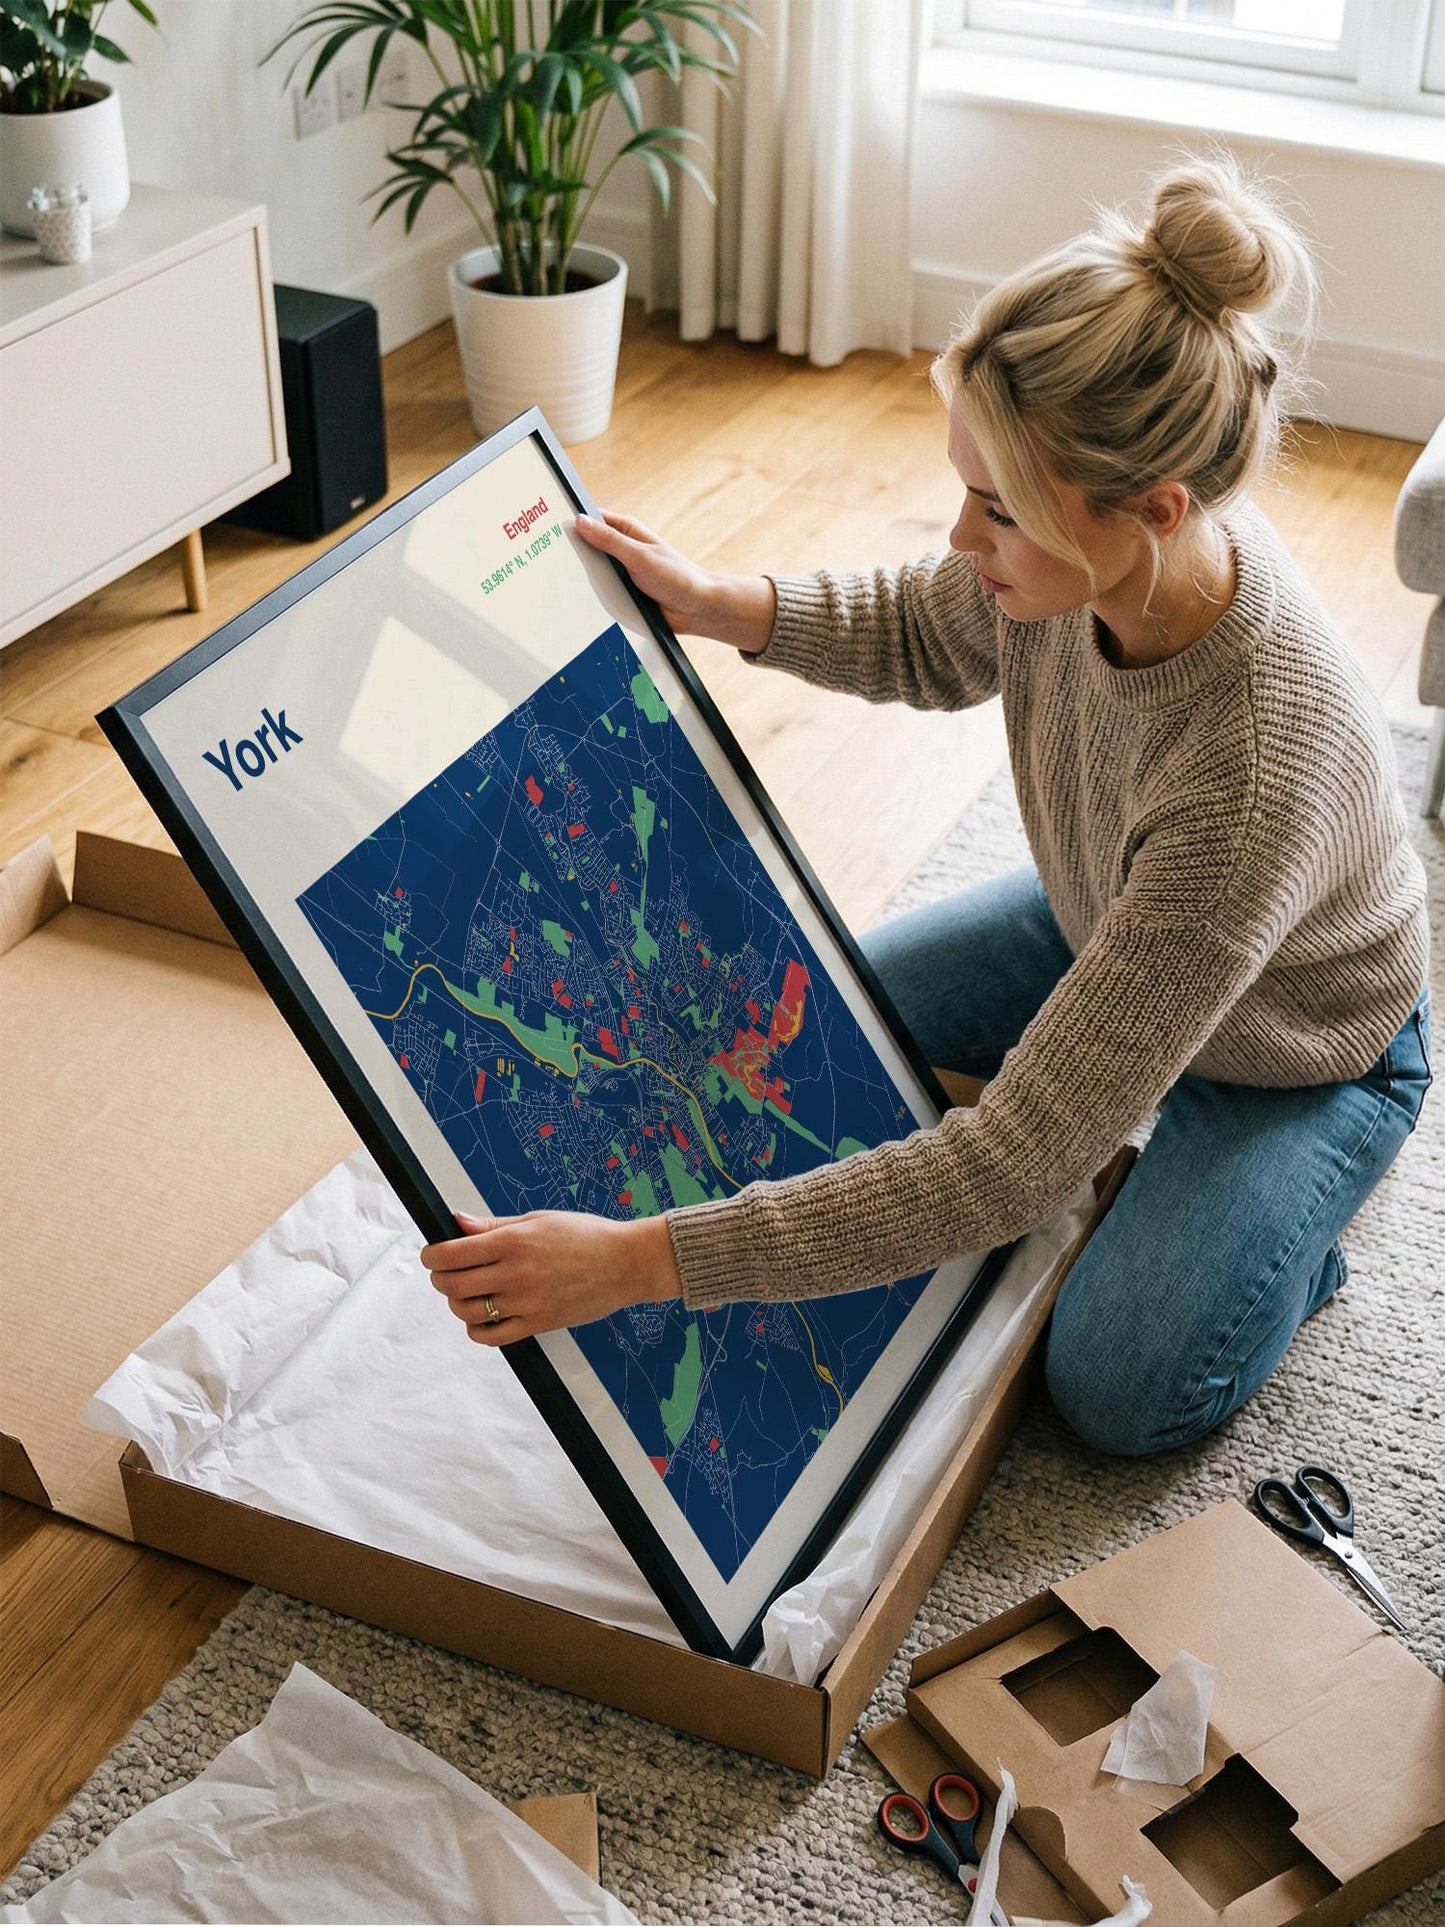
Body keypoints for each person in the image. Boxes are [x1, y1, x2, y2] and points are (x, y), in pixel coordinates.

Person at [422, 156, 1431, 1457]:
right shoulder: (1092, 564)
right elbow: (924, 623)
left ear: (1153, 512)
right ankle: (1160, 1136)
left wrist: (635, 1263)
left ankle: (1281, 1244)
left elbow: (1011, 1166)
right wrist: (720, 601)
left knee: (1121, 1384)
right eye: (965, 485)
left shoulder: (1244, 776)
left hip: (1299, 1045)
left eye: (997, 510)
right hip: (1100, 916)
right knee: (789, 1042)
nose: (961, 537)